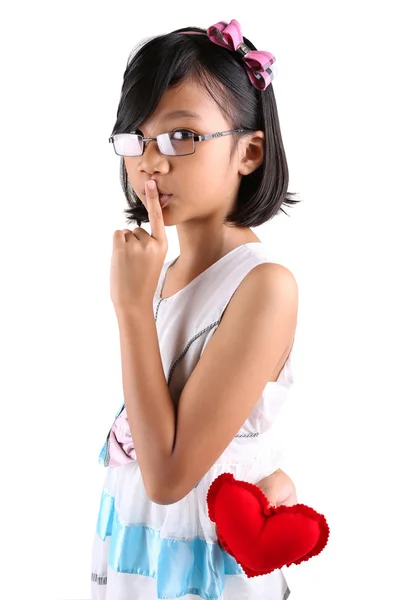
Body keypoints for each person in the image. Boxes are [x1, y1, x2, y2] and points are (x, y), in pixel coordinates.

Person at [91, 18, 301, 600]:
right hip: (143, 552)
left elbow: (167, 475)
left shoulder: (263, 286)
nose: (150, 164)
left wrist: (132, 309)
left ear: (249, 151)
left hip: (202, 572)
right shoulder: (166, 271)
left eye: (181, 136)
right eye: (137, 137)